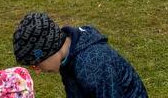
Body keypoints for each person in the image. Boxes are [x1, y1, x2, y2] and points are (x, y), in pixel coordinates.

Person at [12, 12, 148, 98]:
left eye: (35, 65)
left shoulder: (94, 65)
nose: (37, 71)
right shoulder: (67, 56)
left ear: (47, 51)